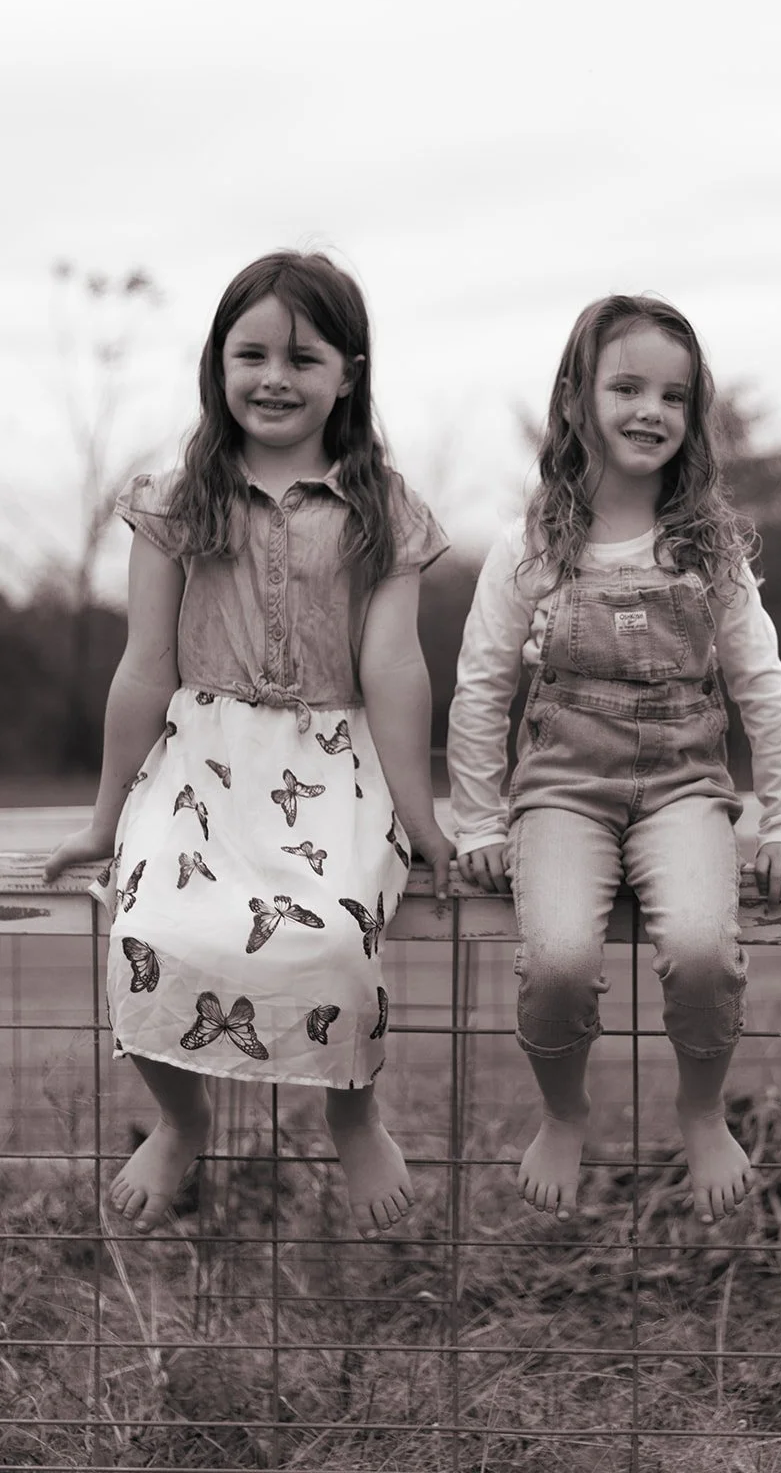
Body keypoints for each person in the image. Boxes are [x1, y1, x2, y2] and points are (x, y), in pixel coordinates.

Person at [44, 250, 453, 1240]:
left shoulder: (381, 505)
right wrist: (105, 818)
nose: (274, 376)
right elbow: (144, 664)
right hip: (201, 765)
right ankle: (181, 1122)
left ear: (348, 373)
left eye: (303, 357)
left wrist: (421, 817)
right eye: (251, 353)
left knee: (335, 942)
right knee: (150, 930)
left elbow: (395, 668)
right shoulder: (177, 494)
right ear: (217, 363)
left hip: (332, 766)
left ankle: (352, 1115)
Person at [447, 295, 781, 1226]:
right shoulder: (530, 547)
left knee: (699, 949)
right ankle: (563, 1113)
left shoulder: (713, 553)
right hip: (562, 793)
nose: (650, 409)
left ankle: (700, 1111)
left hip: (684, 790)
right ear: (576, 400)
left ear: (694, 417)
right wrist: (481, 820)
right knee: (561, 958)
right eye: (626, 387)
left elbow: (762, 689)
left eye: (674, 395)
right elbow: (482, 690)